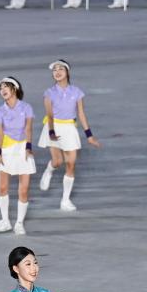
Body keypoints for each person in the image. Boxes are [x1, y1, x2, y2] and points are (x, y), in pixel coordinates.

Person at [37, 60, 101, 211]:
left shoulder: (77, 92)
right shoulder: (49, 93)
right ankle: (49, 170)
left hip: (69, 127)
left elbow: (81, 114)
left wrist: (89, 135)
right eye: (54, 70)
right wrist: (51, 132)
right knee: (58, 161)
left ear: (67, 72)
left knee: (71, 164)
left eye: (61, 69)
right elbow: (49, 115)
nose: (57, 72)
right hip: (53, 126)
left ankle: (65, 200)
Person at [0, 77, 35, 235]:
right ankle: (5, 221)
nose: (2, 90)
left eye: (5, 87)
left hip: (23, 148)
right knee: (3, 187)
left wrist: (28, 147)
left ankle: (19, 223)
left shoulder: (26, 107)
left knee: (23, 190)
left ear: (14, 89)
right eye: (0, 88)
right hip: (6, 149)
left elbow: (28, 128)